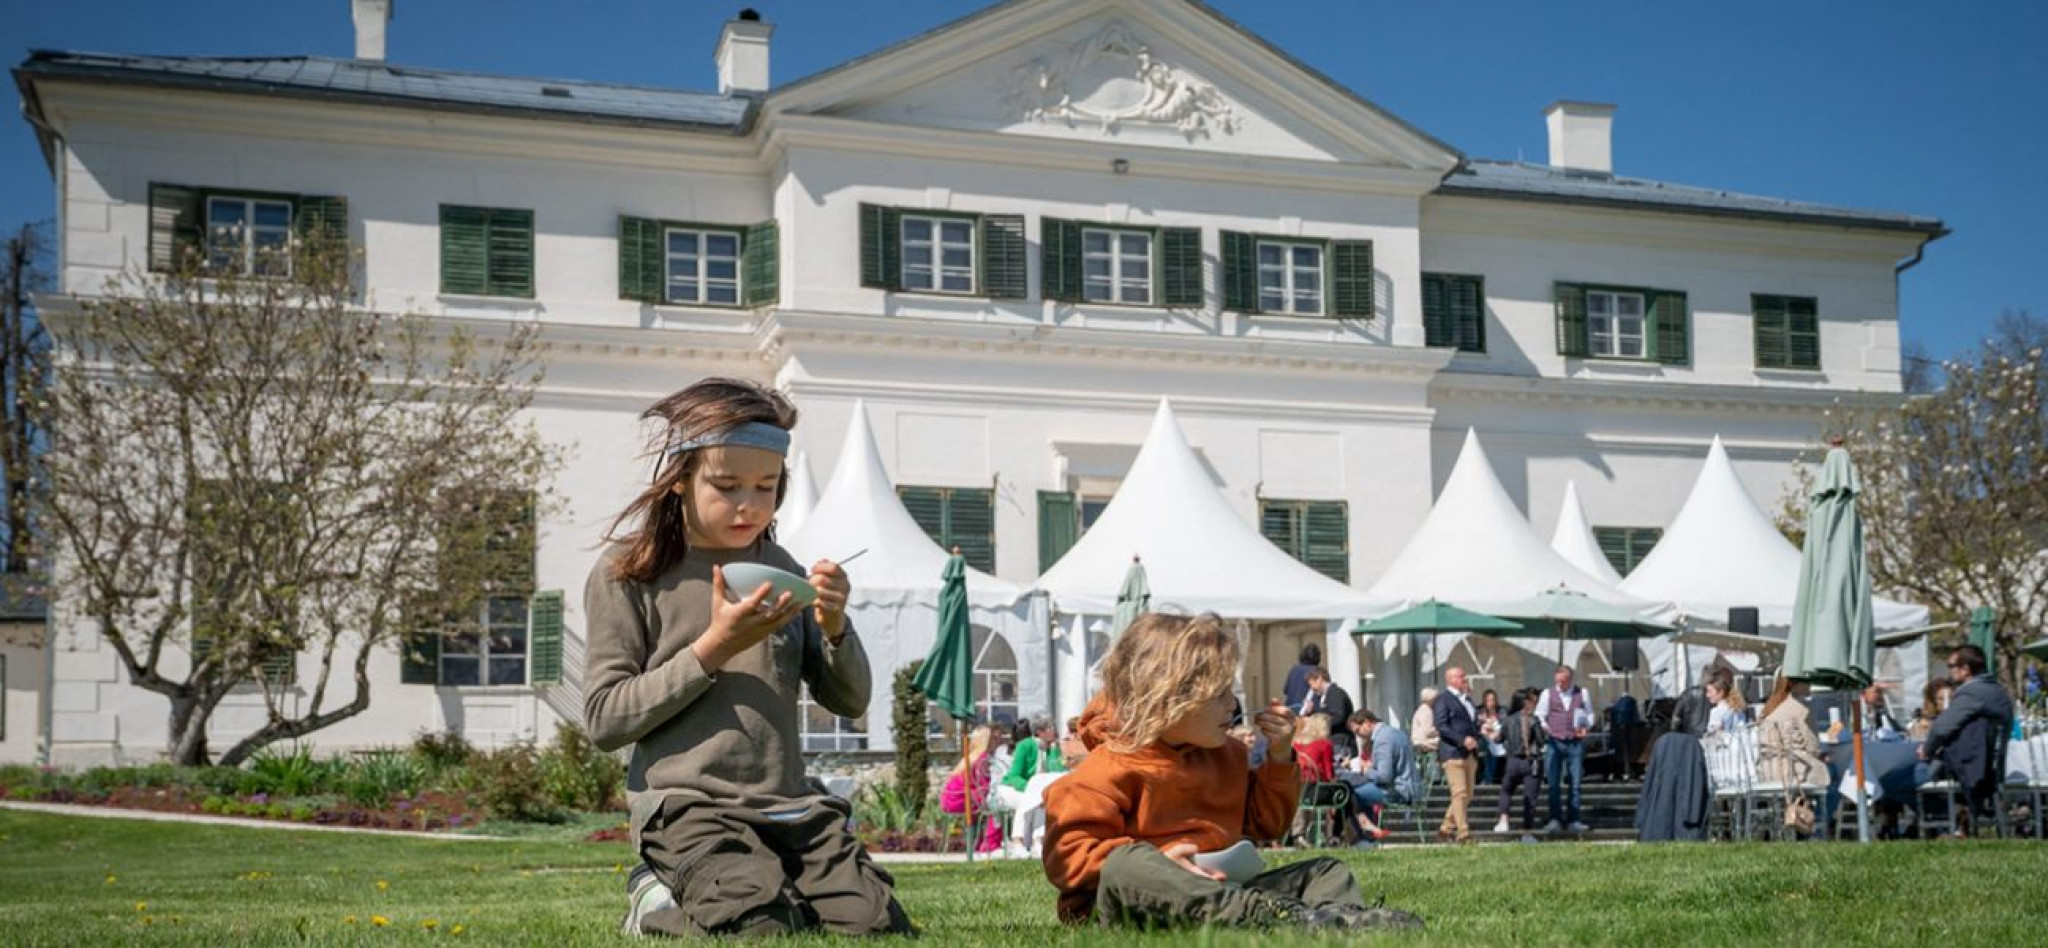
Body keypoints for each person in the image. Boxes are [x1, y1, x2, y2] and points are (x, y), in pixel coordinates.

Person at [582, 378, 911, 937]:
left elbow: (849, 699)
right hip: (689, 807)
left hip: (792, 809)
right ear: (679, 479)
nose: (748, 505)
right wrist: (715, 648)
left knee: (875, 928)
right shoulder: (629, 574)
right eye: (727, 485)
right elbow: (605, 720)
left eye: (765, 486)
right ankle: (655, 897)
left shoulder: (781, 566)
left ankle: (773, 886)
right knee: (759, 927)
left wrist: (834, 627)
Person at [1042, 612, 1421, 932]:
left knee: (1324, 869)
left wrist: (1279, 755)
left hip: (1222, 890)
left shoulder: (1227, 755)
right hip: (1135, 907)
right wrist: (1163, 862)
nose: (1232, 705)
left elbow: (1267, 825)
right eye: (1219, 695)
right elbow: (1068, 858)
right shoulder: (1109, 765)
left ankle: (1337, 922)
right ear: (1169, 700)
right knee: (1129, 865)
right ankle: (1276, 917)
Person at [1920, 644, 2016, 837]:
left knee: (1909, 777)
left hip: (1971, 766)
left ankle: (1932, 828)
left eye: (1951, 665)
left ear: (1965, 669)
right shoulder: (1998, 691)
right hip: (1988, 767)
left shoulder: (1971, 692)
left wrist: (1927, 750)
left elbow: (1941, 728)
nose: (1949, 670)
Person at [1534, 666, 1596, 834]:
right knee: (1553, 783)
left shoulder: (1582, 693)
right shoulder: (1548, 694)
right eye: (1557, 681)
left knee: (1575, 783)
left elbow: (1590, 715)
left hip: (1575, 741)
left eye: (1562, 681)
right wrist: (1545, 726)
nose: (1559, 684)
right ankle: (1555, 818)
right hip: (1554, 741)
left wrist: (1586, 727)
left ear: (1570, 679)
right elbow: (1539, 714)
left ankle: (1574, 819)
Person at [994, 717, 1068, 857]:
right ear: (1040, 732)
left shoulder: (1051, 748)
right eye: (1051, 728)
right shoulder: (1025, 745)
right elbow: (1014, 775)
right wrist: (1031, 788)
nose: (1055, 731)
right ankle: (1017, 842)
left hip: (1034, 792)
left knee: (1040, 802)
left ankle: (1037, 842)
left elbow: (1056, 771)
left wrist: (1053, 750)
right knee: (1029, 800)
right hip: (1010, 788)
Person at [1341, 710, 1409, 843]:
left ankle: (1362, 838)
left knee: (1348, 793)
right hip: (1401, 785)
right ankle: (1367, 832)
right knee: (1357, 791)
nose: (1358, 736)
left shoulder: (1383, 739)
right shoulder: (1391, 733)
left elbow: (1384, 776)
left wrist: (1366, 770)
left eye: (1358, 731)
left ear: (1367, 723)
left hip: (1398, 790)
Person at [1433, 666, 1481, 844]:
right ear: (1450, 679)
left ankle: (1445, 828)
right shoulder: (1443, 699)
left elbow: (1471, 723)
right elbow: (1441, 726)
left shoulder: (1467, 699)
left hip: (1469, 754)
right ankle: (1463, 833)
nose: (1465, 679)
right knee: (1459, 793)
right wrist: (1462, 740)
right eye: (1461, 676)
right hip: (1453, 753)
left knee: (1467, 794)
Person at [1755, 678, 1827, 794]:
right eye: (1806, 680)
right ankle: (1824, 811)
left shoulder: (1768, 709)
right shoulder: (1801, 709)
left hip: (1768, 773)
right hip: (1795, 771)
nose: (1810, 684)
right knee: (1833, 771)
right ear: (1795, 684)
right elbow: (1813, 747)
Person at [940, 725, 1003, 853]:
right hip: (961, 799)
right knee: (996, 805)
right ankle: (991, 844)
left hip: (950, 798)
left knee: (987, 803)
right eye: (993, 738)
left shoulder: (970, 756)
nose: (997, 741)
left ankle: (978, 842)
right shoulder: (983, 758)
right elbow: (984, 784)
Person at [1493, 688, 1546, 836]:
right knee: (1530, 797)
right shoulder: (1534, 719)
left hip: (1513, 761)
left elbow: (1498, 739)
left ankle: (1504, 820)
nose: (1535, 703)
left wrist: (1492, 733)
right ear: (1526, 702)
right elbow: (1541, 741)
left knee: (1506, 790)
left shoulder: (1508, 720)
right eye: (1532, 700)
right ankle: (1527, 831)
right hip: (1532, 762)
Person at [1301, 667, 1358, 760]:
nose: (1312, 688)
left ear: (1319, 679)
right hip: (1334, 743)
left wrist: (1318, 723)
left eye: (1312, 684)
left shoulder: (1335, 693)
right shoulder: (1324, 696)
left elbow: (1338, 717)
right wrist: (1311, 712)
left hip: (1340, 743)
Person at [1609, 692, 1643, 780]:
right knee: (1631, 751)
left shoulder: (1617, 704)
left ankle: (1619, 772)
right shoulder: (1632, 702)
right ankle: (1631, 772)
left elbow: (1612, 719)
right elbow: (1636, 717)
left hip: (1617, 730)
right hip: (1631, 729)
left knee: (1620, 752)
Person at [1283, 642, 1324, 712]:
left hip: (1291, 710)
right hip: (1308, 711)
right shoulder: (1318, 672)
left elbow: (1285, 690)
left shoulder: (1294, 670)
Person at [1476, 689, 1505, 786]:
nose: (1491, 703)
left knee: (1495, 747)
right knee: (1488, 748)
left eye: (1492, 700)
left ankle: (1488, 778)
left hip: (1500, 740)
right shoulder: (1480, 711)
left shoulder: (1502, 711)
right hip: (1484, 741)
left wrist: (1497, 733)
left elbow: (1505, 726)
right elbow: (1477, 727)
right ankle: (1487, 778)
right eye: (1488, 700)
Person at [1410, 687, 1442, 755]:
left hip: (1424, 741)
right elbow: (1428, 731)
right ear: (1430, 699)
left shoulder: (1427, 709)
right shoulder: (1425, 710)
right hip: (1424, 742)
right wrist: (1442, 731)